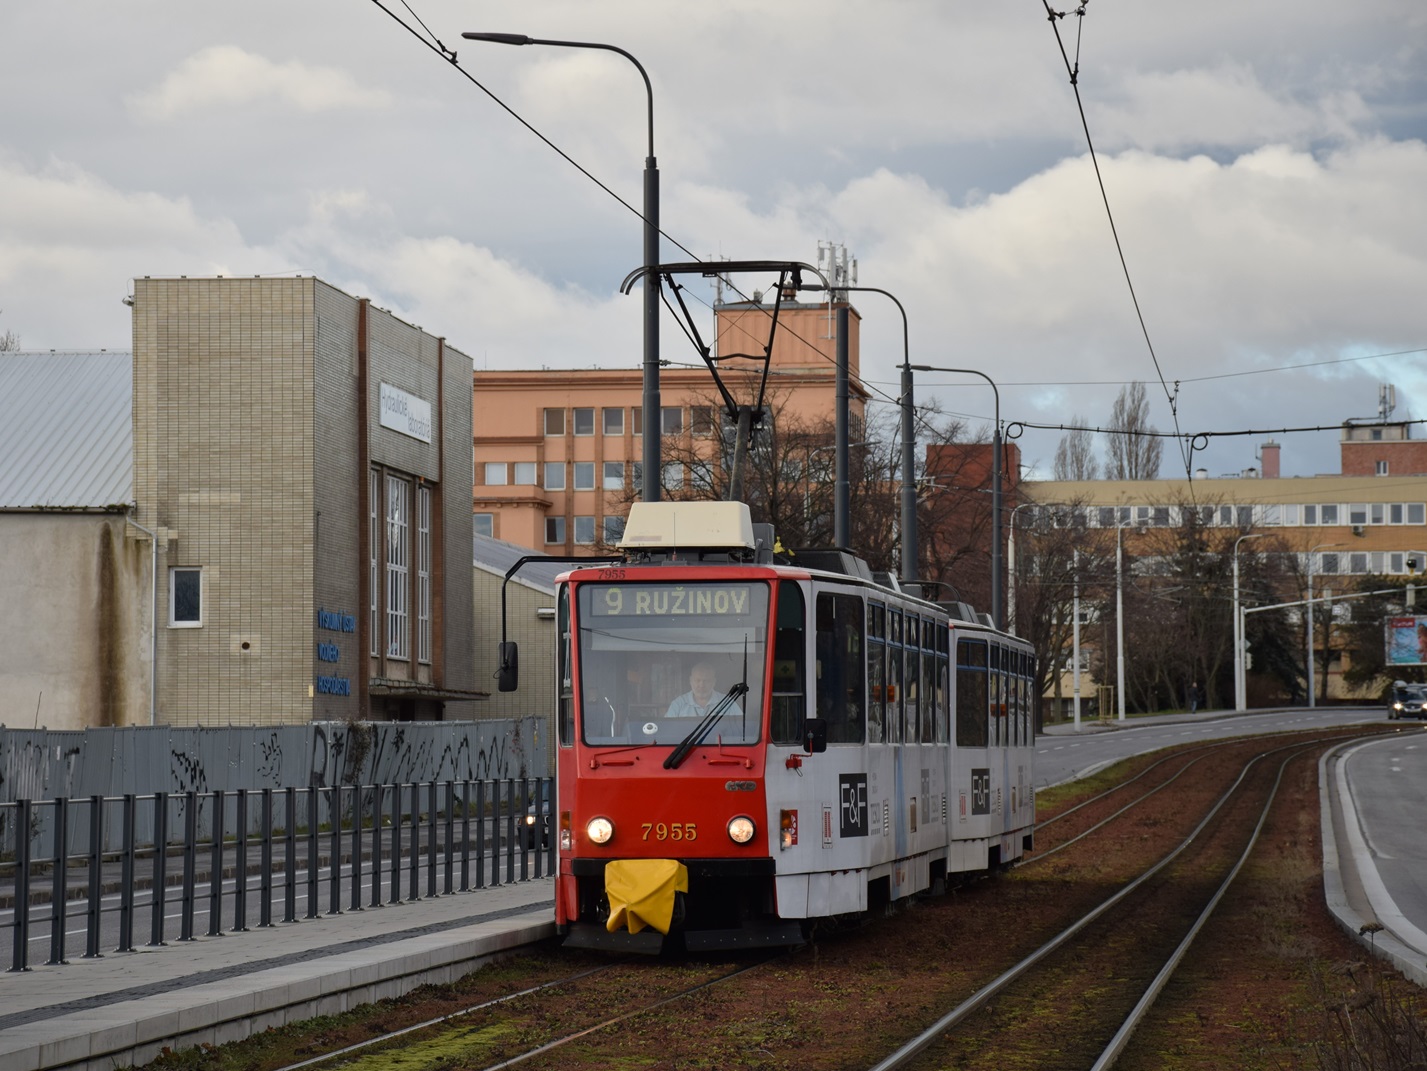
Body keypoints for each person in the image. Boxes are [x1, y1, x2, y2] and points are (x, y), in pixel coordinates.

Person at [666, 662, 742, 718]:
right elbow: (668, 729)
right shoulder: (678, 704)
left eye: (706, 681)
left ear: (714, 682)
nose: (701, 685)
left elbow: (741, 727)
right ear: (690, 681)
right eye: (697, 680)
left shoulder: (727, 703)